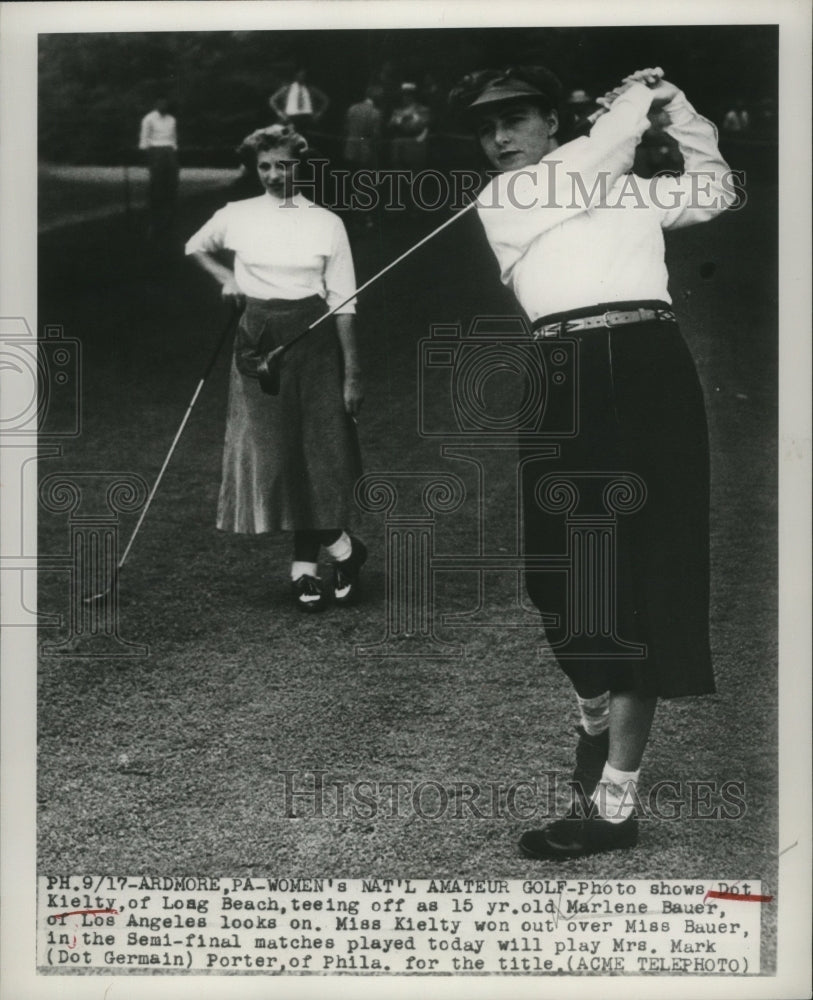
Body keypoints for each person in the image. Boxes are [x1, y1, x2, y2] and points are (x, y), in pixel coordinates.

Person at [448, 65, 736, 858]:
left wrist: (677, 107)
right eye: (485, 127)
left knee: (642, 577)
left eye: (514, 120)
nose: (498, 137)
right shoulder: (503, 200)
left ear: (550, 120)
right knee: (558, 576)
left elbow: (713, 191)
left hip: (649, 367)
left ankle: (614, 800)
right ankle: (593, 713)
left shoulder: (622, 186)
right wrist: (630, 104)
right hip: (562, 376)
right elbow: (592, 160)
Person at [185, 124, 367, 612]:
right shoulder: (236, 215)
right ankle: (346, 550)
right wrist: (226, 277)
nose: (272, 175)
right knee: (275, 457)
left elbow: (344, 302)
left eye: (282, 164)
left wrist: (353, 374)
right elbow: (195, 247)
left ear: (300, 165)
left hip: (315, 340)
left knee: (316, 453)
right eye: (264, 166)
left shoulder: (326, 222)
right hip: (257, 344)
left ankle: (304, 570)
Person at [138, 96, 179, 237]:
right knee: (157, 184)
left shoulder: (172, 119)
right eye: (160, 103)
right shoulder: (148, 119)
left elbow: (173, 137)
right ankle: (154, 216)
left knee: (172, 183)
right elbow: (144, 139)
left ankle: (169, 216)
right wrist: (148, 154)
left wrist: (173, 150)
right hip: (155, 150)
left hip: (169, 151)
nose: (163, 106)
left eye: (165, 104)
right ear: (156, 104)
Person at [269, 69, 329, 137]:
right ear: (295, 76)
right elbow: (272, 100)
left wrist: (319, 113)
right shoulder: (287, 88)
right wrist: (279, 113)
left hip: (306, 117)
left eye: (304, 75)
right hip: (290, 116)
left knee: (307, 137)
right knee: (287, 136)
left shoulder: (310, 88)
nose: (302, 77)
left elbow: (325, 99)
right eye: (300, 75)